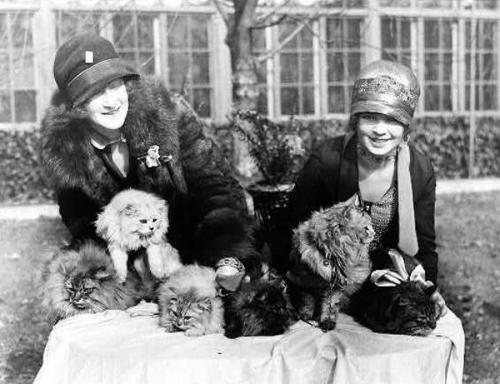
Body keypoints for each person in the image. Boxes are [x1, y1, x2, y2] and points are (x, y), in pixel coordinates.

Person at [40, 33, 260, 291]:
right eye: (94, 94)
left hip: (200, 244)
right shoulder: (67, 153)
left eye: (115, 85)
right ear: (75, 107)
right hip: (133, 265)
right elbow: (85, 226)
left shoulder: (166, 114)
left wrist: (227, 255)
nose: (112, 101)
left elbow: (212, 189)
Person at [285, 59, 446, 315]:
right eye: (371, 117)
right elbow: (293, 232)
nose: (380, 130)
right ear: (355, 120)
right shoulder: (327, 160)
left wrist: (426, 284)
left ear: (406, 128)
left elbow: (424, 244)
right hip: (321, 277)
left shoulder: (419, 169)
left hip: (386, 276)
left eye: (392, 120)